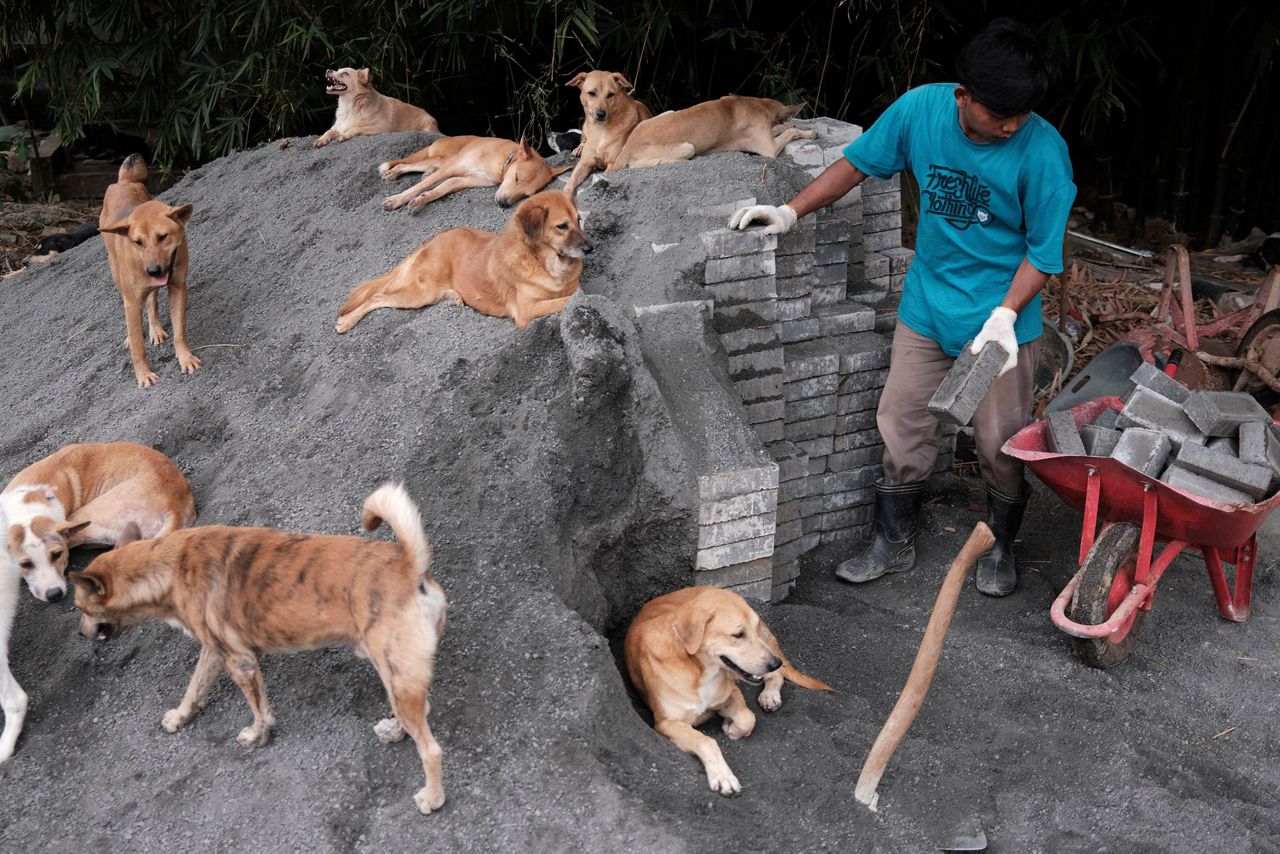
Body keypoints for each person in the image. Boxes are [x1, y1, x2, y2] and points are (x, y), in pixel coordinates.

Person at [729, 18, 1075, 597]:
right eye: (999, 114)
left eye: (1021, 115)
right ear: (963, 96)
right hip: (927, 308)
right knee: (902, 420)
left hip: (1000, 327)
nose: (1011, 125)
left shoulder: (1043, 153)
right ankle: (892, 541)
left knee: (998, 442)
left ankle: (1001, 544)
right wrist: (789, 211)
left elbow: (1044, 254)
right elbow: (856, 163)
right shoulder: (921, 111)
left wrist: (1007, 314)